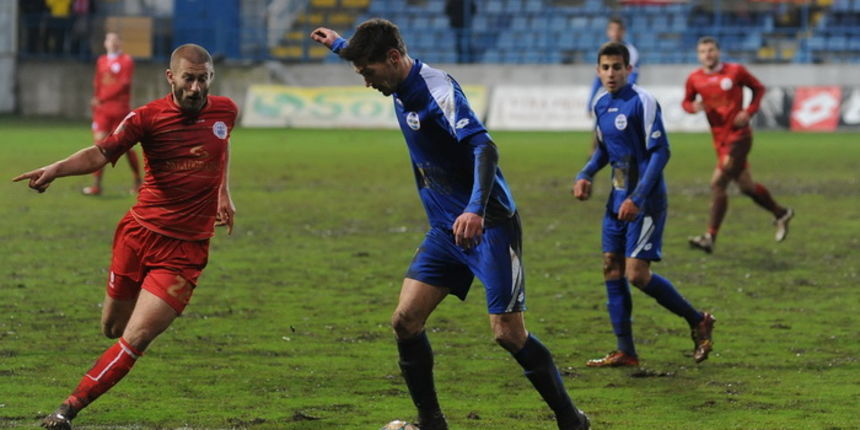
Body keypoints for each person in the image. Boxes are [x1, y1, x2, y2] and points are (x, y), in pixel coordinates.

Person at [311, 18, 589, 430]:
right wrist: (340, 44)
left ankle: (572, 421)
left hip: (489, 223)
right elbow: (367, 54)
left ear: (392, 58)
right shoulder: (393, 75)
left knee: (508, 334)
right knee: (405, 321)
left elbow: (485, 147)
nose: (366, 82)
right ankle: (431, 422)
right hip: (446, 228)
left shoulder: (438, 91)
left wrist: (475, 209)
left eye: (367, 72)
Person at [13, 44, 237, 430]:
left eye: (203, 79)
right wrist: (56, 168)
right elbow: (99, 155)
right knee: (112, 329)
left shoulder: (225, 111)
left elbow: (222, 145)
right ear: (171, 77)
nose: (196, 88)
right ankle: (132, 322)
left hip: (186, 250)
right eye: (189, 78)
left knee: (136, 337)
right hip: (138, 236)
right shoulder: (146, 118)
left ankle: (68, 409)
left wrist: (223, 192)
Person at [572, 42, 715, 368]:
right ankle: (626, 352)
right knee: (611, 267)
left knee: (636, 274)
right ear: (598, 71)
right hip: (616, 200)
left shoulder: (643, 102)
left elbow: (661, 152)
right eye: (605, 68)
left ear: (628, 69)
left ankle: (697, 319)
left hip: (645, 201)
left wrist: (637, 197)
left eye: (617, 67)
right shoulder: (601, 105)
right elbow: (604, 152)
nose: (611, 73)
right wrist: (585, 174)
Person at [682, 36, 793, 254]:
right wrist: (693, 107)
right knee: (747, 187)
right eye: (703, 51)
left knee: (718, 184)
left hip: (739, 137)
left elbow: (759, 88)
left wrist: (748, 112)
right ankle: (781, 213)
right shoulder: (695, 79)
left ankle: (710, 237)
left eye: (711, 50)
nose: (708, 55)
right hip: (719, 140)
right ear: (698, 55)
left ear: (718, 51)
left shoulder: (735, 71)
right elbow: (685, 102)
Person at [84, 32, 142, 196]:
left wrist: (101, 98)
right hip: (102, 110)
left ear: (121, 43)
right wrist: (96, 99)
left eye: (116, 40)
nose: (113, 43)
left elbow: (123, 85)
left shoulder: (126, 61)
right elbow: (98, 81)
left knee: (126, 148)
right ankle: (96, 185)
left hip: (120, 110)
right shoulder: (101, 61)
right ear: (105, 43)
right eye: (110, 40)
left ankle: (138, 180)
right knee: (100, 146)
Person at [586, 18, 639, 115]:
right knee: (600, 127)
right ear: (608, 32)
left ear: (623, 31)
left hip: (623, 98)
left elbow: (632, 77)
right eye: (612, 29)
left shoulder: (630, 51)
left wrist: (626, 96)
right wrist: (590, 103)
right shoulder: (603, 52)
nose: (615, 32)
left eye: (618, 29)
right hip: (605, 97)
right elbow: (598, 80)